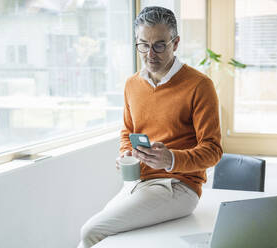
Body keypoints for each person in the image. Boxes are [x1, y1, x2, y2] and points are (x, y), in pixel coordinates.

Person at [77, 6, 222, 248]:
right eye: (143, 44)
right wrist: (125, 152)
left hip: (180, 186)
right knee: (99, 238)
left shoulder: (200, 86)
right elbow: (127, 131)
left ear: (175, 43)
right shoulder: (132, 84)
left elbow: (213, 151)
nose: (150, 53)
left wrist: (170, 159)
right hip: (139, 183)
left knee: (91, 230)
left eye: (159, 45)